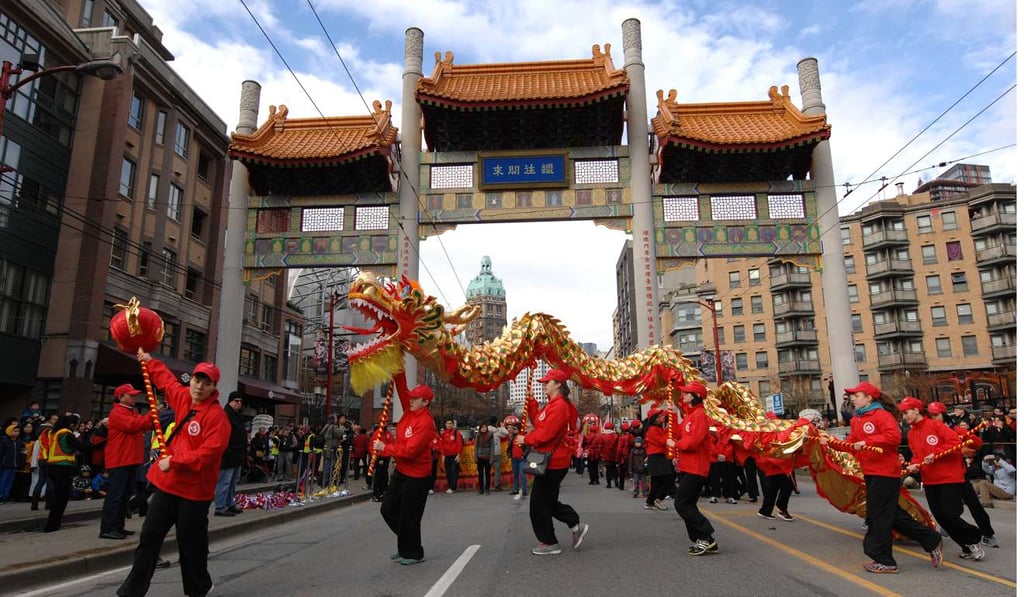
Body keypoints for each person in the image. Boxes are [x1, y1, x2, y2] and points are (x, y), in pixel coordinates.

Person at [117, 352, 230, 597]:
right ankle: (131, 591)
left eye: (206, 383)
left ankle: (198, 588)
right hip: (167, 485)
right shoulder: (183, 398)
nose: (200, 386)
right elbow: (166, 381)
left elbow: (208, 453)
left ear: (213, 387)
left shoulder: (218, 418)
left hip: (195, 492)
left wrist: (176, 461)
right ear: (191, 381)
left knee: (190, 546)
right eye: (197, 380)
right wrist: (148, 361)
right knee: (149, 537)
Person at [821, 383, 943, 574]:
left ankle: (885, 560)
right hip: (870, 472)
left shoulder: (881, 416)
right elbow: (852, 444)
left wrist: (867, 442)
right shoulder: (857, 420)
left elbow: (894, 437)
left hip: (886, 472)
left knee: (877, 515)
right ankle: (931, 539)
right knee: (892, 514)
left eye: (857, 395)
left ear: (869, 398)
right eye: (852, 396)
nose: (853, 399)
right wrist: (831, 443)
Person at [900, 397, 985, 562]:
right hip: (930, 479)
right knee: (940, 517)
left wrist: (936, 453)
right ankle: (966, 545)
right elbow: (917, 455)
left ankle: (974, 538)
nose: (904, 416)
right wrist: (915, 465)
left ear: (916, 410)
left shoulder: (936, 426)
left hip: (948, 477)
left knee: (949, 513)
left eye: (906, 412)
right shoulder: (911, 433)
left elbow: (955, 443)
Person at [517, 368, 588, 556]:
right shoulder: (551, 405)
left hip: (553, 462)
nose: (544, 386)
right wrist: (531, 401)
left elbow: (546, 433)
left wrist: (526, 439)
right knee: (547, 501)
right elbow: (539, 422)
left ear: (558, 384)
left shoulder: (560, 406)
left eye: (547, 382)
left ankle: (549, 542)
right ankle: (574, 524)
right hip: (551, 461)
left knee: (538, 505)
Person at [374, 381, 437, 565]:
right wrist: (396, 361)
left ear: (425, 402)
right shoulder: (409, 413)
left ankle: (413, 552)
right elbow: (402, 389)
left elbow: (410, 451)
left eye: (415, 398)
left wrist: (385, 448)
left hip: (417, 476)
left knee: (409, 516)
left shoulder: (426, 423)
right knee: (387, 509)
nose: (410, 400)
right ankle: (406, 544)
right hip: (401, 471)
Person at [665, 382, 719, 556]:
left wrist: (676, 444)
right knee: (688, 503)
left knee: (681, 503)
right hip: (688, 466)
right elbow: (679, 432)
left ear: (695, 396)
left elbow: (693, 442)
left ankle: (706, 534)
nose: (684, 396)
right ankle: (704, 540)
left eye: (687, 393)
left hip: (697, 467)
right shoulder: (690, 415)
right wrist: (671, 413)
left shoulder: (700, 416)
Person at [99, 384, 153, 539]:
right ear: (121, 397)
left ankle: (117, 526)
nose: (133, 397)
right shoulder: (118, 413)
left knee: (123, 495)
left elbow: (144, 424)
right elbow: (135, 425)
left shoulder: (130, 412)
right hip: (120, 459)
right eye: (130, 395)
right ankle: (108, 528)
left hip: (128, 459)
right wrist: (152, 414)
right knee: (115, 495)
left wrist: (154, 415)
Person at [44, 414, 90, 531]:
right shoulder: (66, 434)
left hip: (51, 466)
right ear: (72, 425)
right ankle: (53, 525)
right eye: (77, 425)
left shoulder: (54, 433)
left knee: (57, 496)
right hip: (63, 467)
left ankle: (53, 523)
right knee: (61, 498)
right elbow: (82, 447)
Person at [214, 391, 246, 517]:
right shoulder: (226, 414)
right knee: (225, 481)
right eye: (236, 401)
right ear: (230, 401)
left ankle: (229, 503)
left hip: (237, 453)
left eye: (240, 401)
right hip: (229, 453)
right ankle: (220, 506)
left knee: (233, 481)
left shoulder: (238, 415)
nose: (239, 403)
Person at [642, 409, 673, 511]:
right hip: (657, 457)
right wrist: (668, 435)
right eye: (659, 417)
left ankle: (650, 502)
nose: (661, 418)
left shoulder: (657, 428)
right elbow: (662, 441)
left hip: (657, 456)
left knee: (657, 482)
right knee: (668, 479)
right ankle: (658, 499)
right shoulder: (652, 430)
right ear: (654, 419)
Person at [0, 423, 23, 503]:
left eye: (18, 431)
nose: (16, 433)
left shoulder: (19, 442)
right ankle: (1, 496)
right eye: (15, 431)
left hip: (14, 465)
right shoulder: (4, 441)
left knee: (10, 482)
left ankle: (6, 496)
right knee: (3, 481)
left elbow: (21, 454)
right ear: (9, 431)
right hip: (5, 465)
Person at [438, 419, 463, 493]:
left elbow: (459, 444)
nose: (448, 425)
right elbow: (442, 445)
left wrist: (458, 454)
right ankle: (450, 486)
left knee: (454, 471)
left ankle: (453, 488)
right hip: (446, 455)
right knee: (448, 472)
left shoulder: (456, 433)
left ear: (452, 424)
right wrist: (443, 454)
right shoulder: (444, 433)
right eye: (447, 423)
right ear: (445, 425)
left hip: (454, 455)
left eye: (450, 423)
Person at [474, 424, 492, 494]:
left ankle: (487, 488)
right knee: (480, 474)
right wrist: (475, 457)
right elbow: (476, 446)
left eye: (485, 427)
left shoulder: (490, 435)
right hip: (480, 456)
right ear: (480, 428)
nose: (484, 429)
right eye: (482, 427)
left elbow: (492, 447)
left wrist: (491, 458)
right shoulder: (478, 435)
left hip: (488, 456)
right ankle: (481, 489)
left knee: (488, 474)